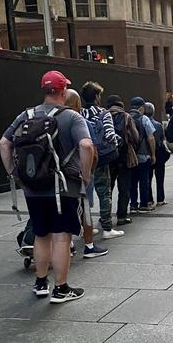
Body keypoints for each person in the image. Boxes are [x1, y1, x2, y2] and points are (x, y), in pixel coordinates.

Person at [0, 70, 94, 303]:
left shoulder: (25, 115)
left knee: (41, 234)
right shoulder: (72, 117)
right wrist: (85, 174)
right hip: (63, 187)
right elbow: (86, 145)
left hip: (33, 186)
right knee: (62, 237)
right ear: (63, 91)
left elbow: (3, 143)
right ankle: (61, 289)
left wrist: (14, 173)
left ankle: (41, 283)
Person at [64, 89, 109, 257]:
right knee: (85, 210)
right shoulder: (81, 121)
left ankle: (68, 246)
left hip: (55, 177)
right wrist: (88, 173)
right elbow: (91, 150)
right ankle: (89, 246)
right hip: (77, 175)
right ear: (78, 104)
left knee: (64, 211)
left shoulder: (52, 119)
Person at [80, 82, 126, 238]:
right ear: (97, 97)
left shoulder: (77, 113)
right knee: (104, 192)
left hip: (81, 158)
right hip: (100, 157)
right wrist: (117, 142)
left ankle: (84, 227)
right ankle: (107, 228)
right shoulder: (103, 113)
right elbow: (110, 135)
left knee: (82, 194)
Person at [106, 95, 139, 225]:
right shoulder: (126, 116)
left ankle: (105, 215)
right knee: (124, 187)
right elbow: (135, 136)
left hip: (108, 157)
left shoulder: (103, 116)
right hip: (124, 156)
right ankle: (121, 216)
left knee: (108, 188)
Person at [127, 97, 156, 213]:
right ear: (141, 107)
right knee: (144, 180)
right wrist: (153, 154)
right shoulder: (144, 119)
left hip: (130, 155)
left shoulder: (126, 117)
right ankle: (144, 204)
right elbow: (151, 137)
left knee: (132, 181)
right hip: (143, 154)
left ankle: (133, 205)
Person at [145, 102, 169, 205]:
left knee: (148, 178)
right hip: (159, 153)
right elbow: (162, 139)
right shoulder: (158, 125)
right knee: (160, 177)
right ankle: (160, 199)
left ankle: (149, 199)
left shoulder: (142, 123)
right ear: (153, 112)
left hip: (147, 153)